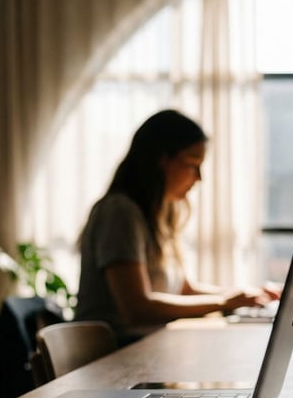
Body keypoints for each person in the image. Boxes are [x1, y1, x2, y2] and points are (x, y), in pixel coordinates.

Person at [75, 109, 274, 343]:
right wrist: (224, 302)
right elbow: (137, 308)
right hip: (112, 359)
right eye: (192, 164)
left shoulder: (159, 213)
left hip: (144, 351)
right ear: (162, 160)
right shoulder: (120, 212)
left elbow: (183, 289)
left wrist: (245, 296)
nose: (199, 177)